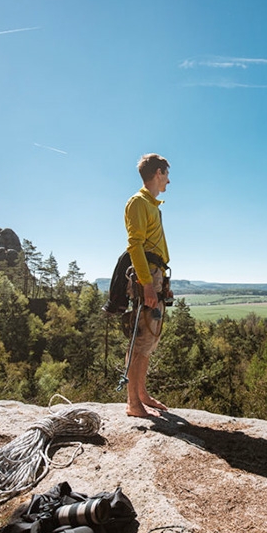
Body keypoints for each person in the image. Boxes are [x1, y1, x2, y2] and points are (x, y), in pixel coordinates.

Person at [123, 153, 173, 417]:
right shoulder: (138, 203)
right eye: (166, 174)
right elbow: (135, 245)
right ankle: (133, 403)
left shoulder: (152, 206)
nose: (168, 180)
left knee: (149, 339)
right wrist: (146, 284)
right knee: (140, 339)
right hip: (147, 276)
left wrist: (161, 283)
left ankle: (142, 394)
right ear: (158, 173)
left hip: (156, 275)